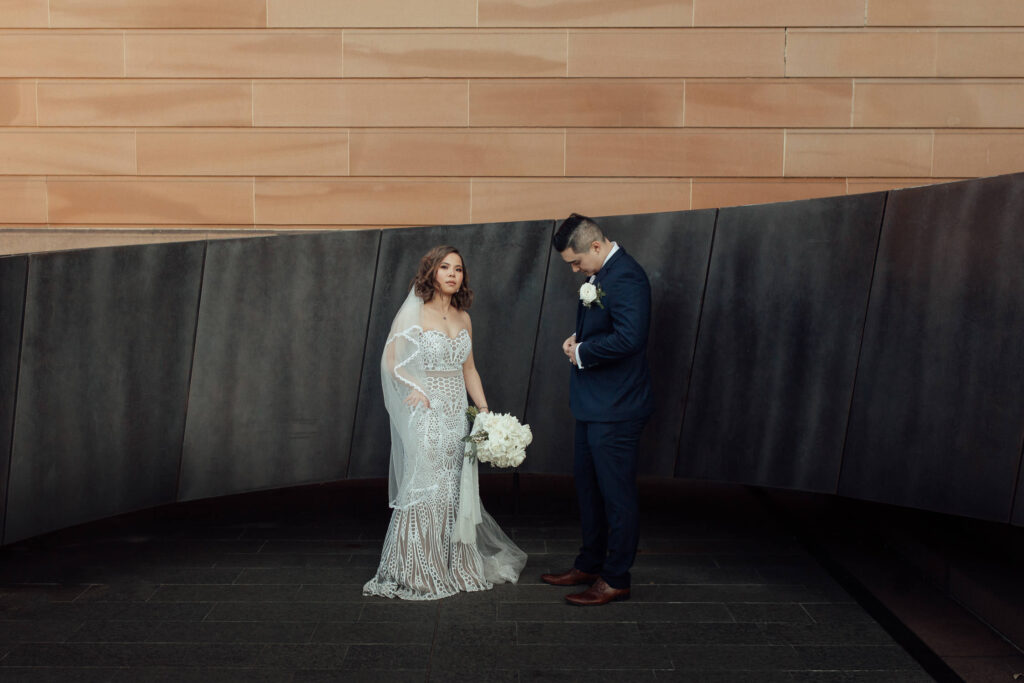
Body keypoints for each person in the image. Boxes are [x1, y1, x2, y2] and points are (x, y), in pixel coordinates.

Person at [363, 245, 527, 600]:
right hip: (426, 413)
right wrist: (415, 388)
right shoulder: (414, 314)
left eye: (459, 269)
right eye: (445, 268)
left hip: (456, 413)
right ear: (431, 274)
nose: (453, 274)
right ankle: (417, 568)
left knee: (454, 487)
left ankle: (454, 565)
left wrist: (484, 410)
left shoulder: (463, 317)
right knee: (426, 484)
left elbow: (469, 369)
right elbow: (390, 362)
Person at [541, 214, 654, 606]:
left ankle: (616, 577)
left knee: (616, 496)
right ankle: (589, 563)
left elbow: (630, 337)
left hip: (618, 407)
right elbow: (608, 325)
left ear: (595, 246)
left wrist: (582, 352)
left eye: (576, 262)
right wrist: (580, 337)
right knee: (589, 491)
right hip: (594, 405)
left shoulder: (626, 276)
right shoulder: (601, 275)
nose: (574, 270)